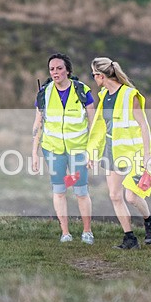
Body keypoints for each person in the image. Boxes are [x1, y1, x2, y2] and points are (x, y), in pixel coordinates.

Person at [86, 57, 151, 249]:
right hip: (113, 152)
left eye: (94, 75)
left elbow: (143, 125)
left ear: (101, 75)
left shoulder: (129, 95)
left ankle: (149, 221)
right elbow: (100, 127)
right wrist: (91, 152)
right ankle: (130, 239)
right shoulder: (104, 96)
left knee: (132, 197)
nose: (94, 79)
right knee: (115, 196)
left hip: (133, 152)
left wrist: (147, 154)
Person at [31, 53, 96, 244]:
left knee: (81, 191)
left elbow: (93, 123)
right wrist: (34, 153)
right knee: (59, 190)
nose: (55, 72)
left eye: (59, 68)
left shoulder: (83, 91)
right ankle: (65, 233)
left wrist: (91, 151)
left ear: (68, 70)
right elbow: (38, 124)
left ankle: (87, 231)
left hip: (78, 149)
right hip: (52, 149)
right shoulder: (44, 93)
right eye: (52, 69)